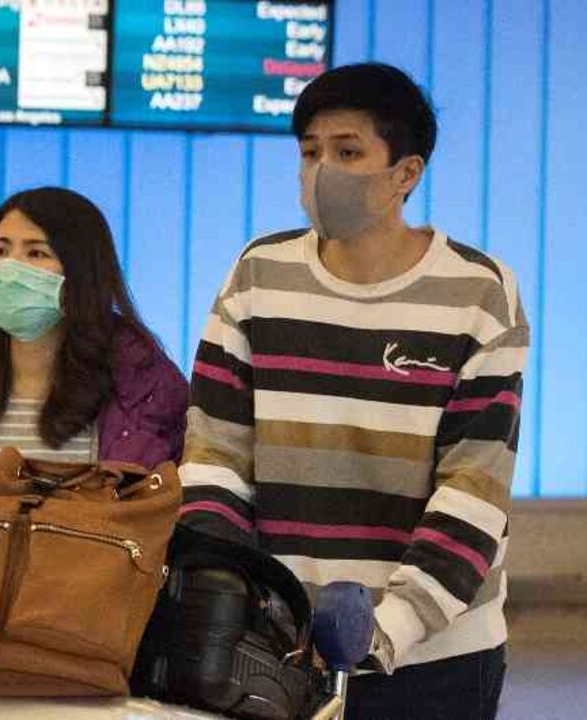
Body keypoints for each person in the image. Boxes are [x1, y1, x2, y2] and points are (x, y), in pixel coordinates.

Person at [178, 63, 525, 719]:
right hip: (273, 647)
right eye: (310, 152)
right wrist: (242, 599)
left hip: (433, 658)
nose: (321, 172)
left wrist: (383, 630)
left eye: (347, 152)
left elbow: (474, 490)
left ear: (406, 173)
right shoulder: (258, 274)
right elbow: (214, 455)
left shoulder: (480, 293)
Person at [0, 186, 188, 520]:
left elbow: (161, 522)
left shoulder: (144, 394)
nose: (10, 267)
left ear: (82, 273)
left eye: (36, 253)